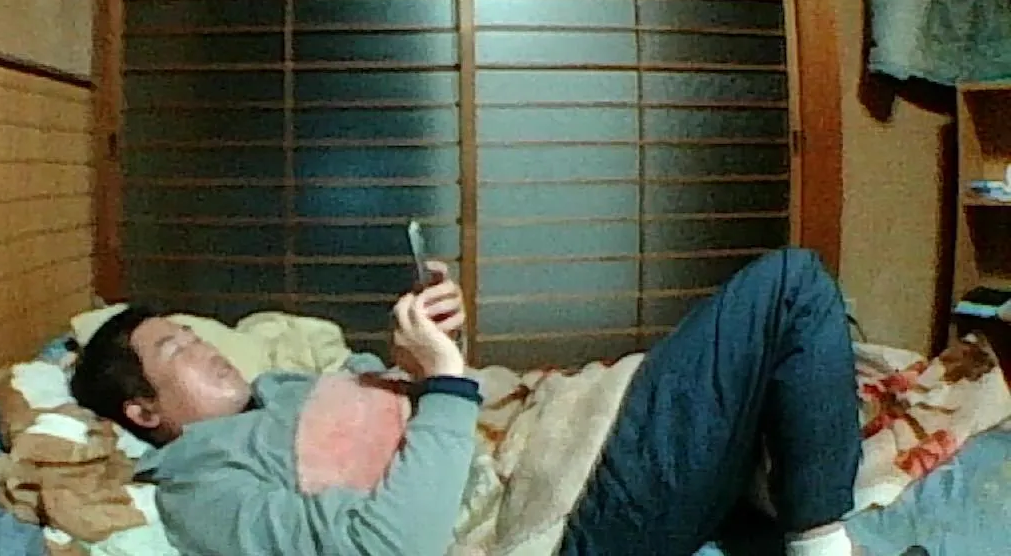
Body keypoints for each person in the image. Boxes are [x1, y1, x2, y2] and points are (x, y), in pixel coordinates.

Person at [70, 248, 866, 556]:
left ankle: (778, 496)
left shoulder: (286, 387)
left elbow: (415, 427)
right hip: (568, 516)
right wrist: (448, 383)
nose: (205, 347)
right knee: (789, 290)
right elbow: (393, 545)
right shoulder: (201, 482)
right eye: (174, 350)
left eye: (194, 332)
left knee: (783, 363)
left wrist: (425, 352)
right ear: (144, 413)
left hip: (544, 440)